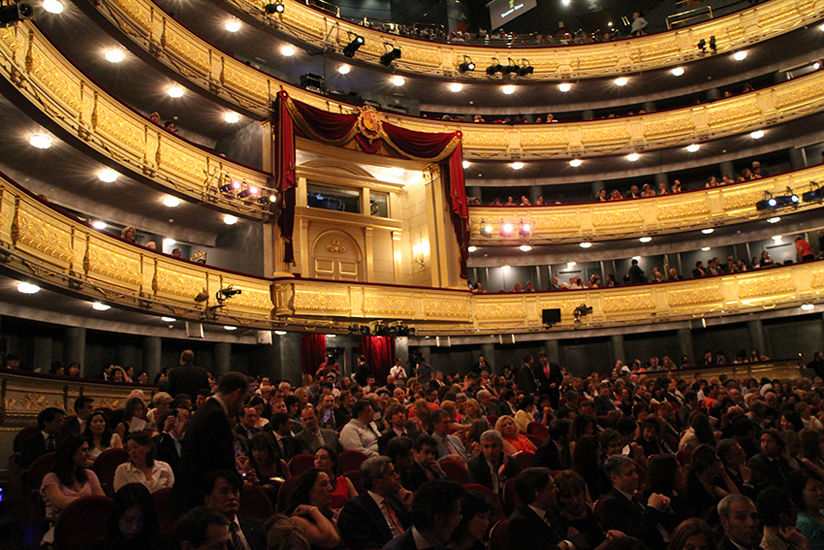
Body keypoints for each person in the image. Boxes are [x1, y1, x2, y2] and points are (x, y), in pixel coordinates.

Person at [176, 371, 249, 510]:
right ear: (237, 393)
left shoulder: (207, 409)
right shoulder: (215, 416)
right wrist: (239, 482)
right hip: (202, 498)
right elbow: (219, 463)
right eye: (242, 400)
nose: (241, 406)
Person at [40, 434, 105, 545]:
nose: (88, 454)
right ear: (70, 452)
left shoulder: (90, 474)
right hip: (61, 525)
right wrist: (89, 504)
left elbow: (101, 500)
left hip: (89, 523)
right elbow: (60, 502)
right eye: (83, 450)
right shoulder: (51, 478)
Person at [338, 456, 411, 549]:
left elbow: (412, 530)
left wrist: (409, 507)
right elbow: (362, 544)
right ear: (376, 482)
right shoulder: (355, 508)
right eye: (392, 474)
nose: (397, 476)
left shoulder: (394, 500)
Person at [601, 454, 673, 548]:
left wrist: (662, 506)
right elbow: (637, 536)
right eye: (629, 474)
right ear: (615, 478)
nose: (636, 476)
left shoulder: (636, 496)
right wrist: (653, 508)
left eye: (635, 471)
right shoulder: (611, 504)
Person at [508, 467, 584, 550]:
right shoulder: (519, 524)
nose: (557, 490)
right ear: (539, 495)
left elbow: (582, 536)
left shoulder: (552, 511)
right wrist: (567, 543)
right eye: (553, 487)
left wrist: (564, 544)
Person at [382, 479, 464, 550]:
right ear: (438, 519)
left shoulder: (437, 545)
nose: (458, 521)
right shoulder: (395, 548)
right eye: (457, 514)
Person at [202, 470, 266, 550]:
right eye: (224, 492)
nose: (231, 497)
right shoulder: (203, 534)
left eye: (234, 492)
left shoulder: (258, 527)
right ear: (207, 499)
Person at [88, 483, 160, 550]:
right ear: (117, 517)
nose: (134, 527)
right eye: (129, 520)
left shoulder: (154, 544)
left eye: (141, 520)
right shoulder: (99, 546)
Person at [284, 468, 342, 549]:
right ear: (309, 491)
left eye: (330, 483)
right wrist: (313, 510)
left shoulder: (327, 514)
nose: (331, 488)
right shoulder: (296, 520)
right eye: (324, 484)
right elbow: (332, 539)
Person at [468, 430, 519, 494]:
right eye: (486, 447)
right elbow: (476, 491)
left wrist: (502, 477)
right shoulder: (474, 464)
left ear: (501, 447)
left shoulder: (510, 461)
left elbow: (514, 490)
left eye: (494, 446)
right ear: (481, 448)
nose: (490, 451)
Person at [787, 469, 824, 549]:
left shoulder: (821, 512)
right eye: (813, 490)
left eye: (821, 487)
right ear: (799, 493)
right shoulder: (804, 523)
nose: (820, 493)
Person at [313, 445, 359, 510]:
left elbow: (357, 501)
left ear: (332, 462)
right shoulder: (312, 483)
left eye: (323, 458)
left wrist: (343, 510)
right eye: (316, 458)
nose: (318, 461)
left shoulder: (344, 480)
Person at [154, 406, 188, 475]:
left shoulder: (186, 440)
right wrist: (166, 431)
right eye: (179, 418)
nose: (184, 422)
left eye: (185, 418)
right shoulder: (161, 440)